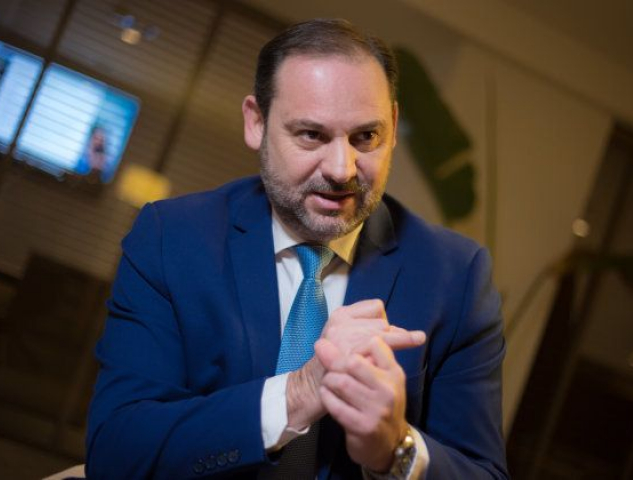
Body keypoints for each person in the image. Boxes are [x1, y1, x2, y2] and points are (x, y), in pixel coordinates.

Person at [86, 18, 508, 479]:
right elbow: (117, 450)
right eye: (311, 134)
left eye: (366, 137)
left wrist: (396, 449)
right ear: (256, 122)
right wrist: (298, 393)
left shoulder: (457, 276)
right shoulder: (173, 237)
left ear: (392, 125)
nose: (342, 169)